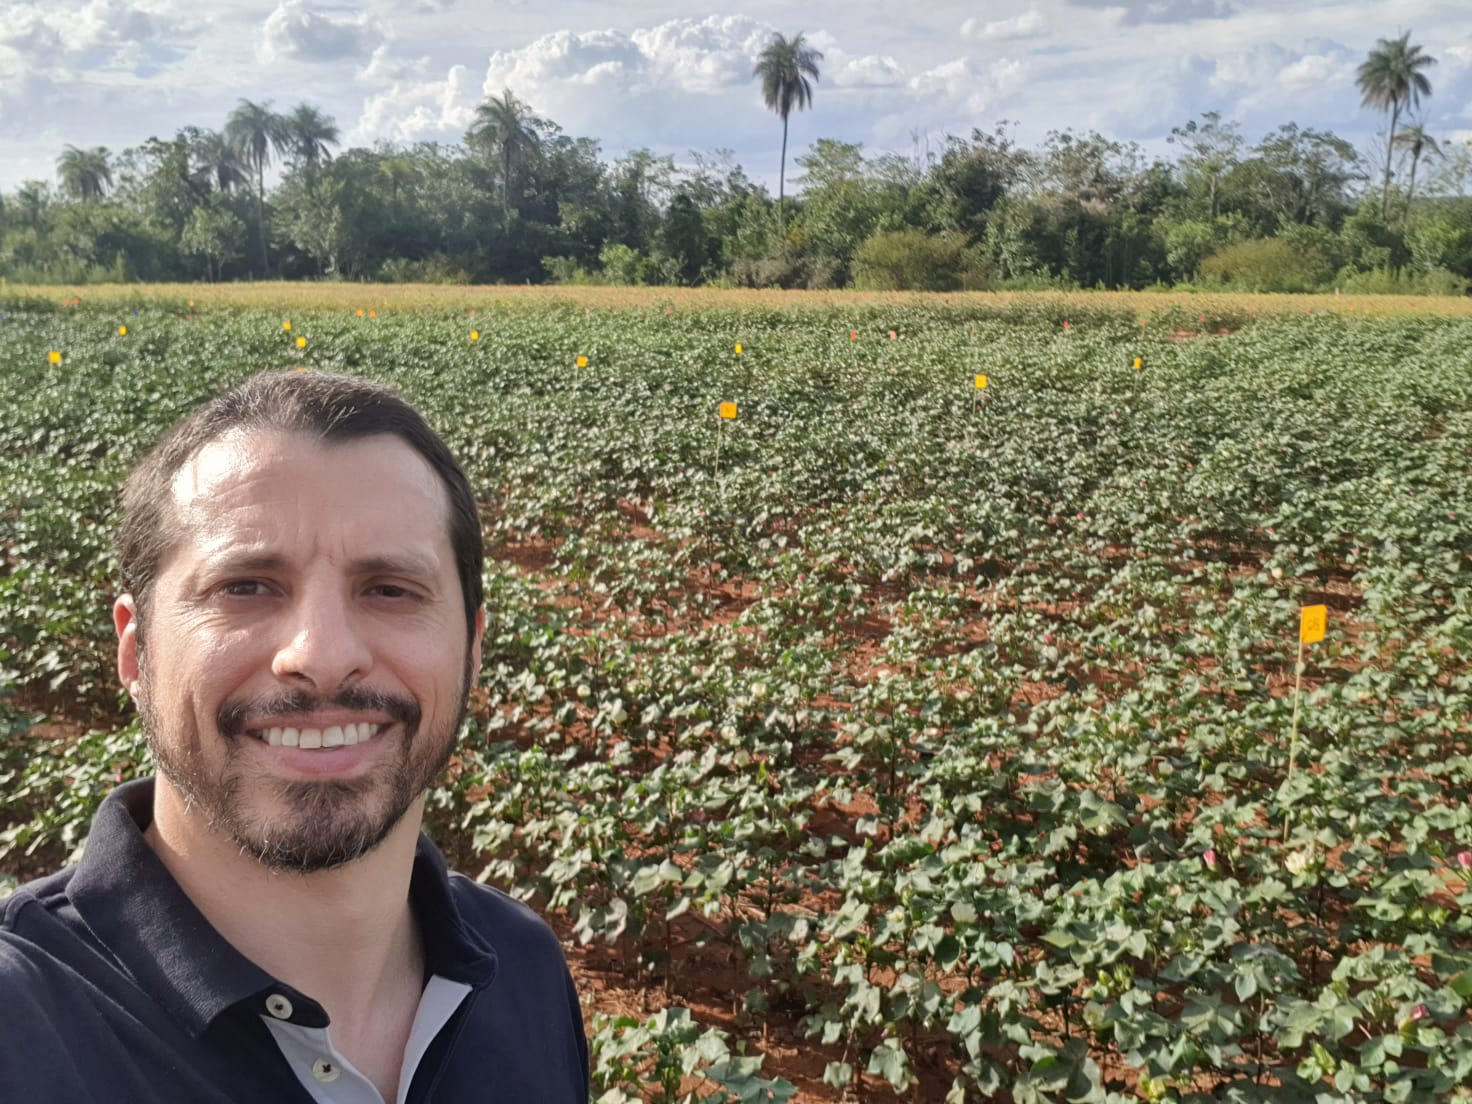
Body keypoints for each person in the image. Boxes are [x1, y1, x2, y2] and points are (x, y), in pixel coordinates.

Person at [0, 370, 589, 1102]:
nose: (321, 654)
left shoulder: (522, 966)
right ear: (135, 650)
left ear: (471, 649)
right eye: (244, 586)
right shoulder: (21, 1029)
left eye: (390, 590)